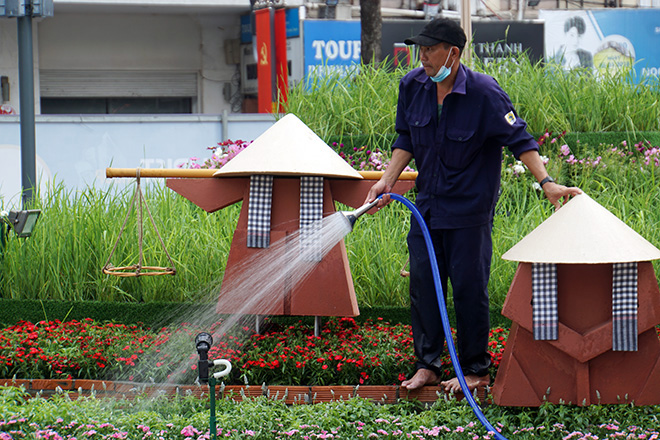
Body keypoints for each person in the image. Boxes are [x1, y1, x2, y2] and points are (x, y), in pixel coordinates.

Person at [365, 18, 581, 394]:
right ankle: (428, 365)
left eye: (430, 50)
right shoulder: (412, 86)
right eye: (420, 49)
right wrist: (387, 178)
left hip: (469, 212)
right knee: (424, 287)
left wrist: (546, 183)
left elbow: (520, 139)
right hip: (427, 208)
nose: (423, 58)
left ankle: (475, 370)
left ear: (453, 52)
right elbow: (406, 138)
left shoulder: (484, 92)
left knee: (469, 289)